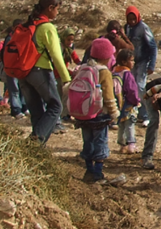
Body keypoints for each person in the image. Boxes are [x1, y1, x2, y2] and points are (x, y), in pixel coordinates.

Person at [15, 0, 71, 144]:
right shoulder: (47, 27)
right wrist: (66, 78)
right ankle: (34, 142)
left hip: (23, 73)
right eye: (57, 9)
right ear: (50, 8)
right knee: (56, 107)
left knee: (36, 111)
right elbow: (56, 55)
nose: (58, 13)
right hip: (40, 71)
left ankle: (37, 148)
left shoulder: (29, 24)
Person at [75, 38, 124, 185]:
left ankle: (89, 171)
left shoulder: (83, 68)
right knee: (100, 142)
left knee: (88, 141)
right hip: (99, 114)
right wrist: (114, 113)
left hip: (83, 113)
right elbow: (108, 96)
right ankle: (98, 174)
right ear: (106, 56)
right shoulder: (104, 72)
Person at [125, 5, 157, 124]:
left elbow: (153, 46)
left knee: (140, 87)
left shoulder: (143, 28)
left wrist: (151, 64)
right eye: (130, 19)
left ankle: (146, 114)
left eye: (134, 19)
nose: (132, 21)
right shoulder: (127, 28)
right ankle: (137, 113)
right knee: (131, 87)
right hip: (131, 62)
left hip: (143, 61)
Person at [112, 49, 141, 154]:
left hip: (118, 104)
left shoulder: (115, 72)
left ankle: (122, 145)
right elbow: (131, 90)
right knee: (130, 124)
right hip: (128, 104)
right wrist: (136, 101)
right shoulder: (127, 74)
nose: (133, 62)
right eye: (131, 60)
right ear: (124, 62)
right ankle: (131, 145)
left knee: (121, 125)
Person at [0, 20, 28, 119]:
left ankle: (24, 107)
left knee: (22, 88)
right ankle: (16, 110)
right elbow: (5, 54)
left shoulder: (23, 38)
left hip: (21, 68)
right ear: (13, 28)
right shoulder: (10, 39)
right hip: (11, 68)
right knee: (14, 89)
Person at [55, 27, 81, 132]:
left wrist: (81, 65)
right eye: (68, 40)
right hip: (57, 74)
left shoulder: (69, 48)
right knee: (60, 94)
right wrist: (71, 72)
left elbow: (75, 58)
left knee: (66, 94)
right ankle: (60, 115)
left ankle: (65, 114)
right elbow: (59, 64)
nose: (70, 42)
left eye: (72, 40)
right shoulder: (59, 48)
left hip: (65, 74)